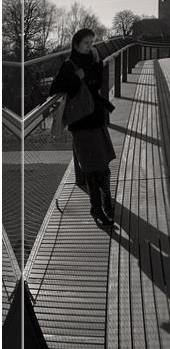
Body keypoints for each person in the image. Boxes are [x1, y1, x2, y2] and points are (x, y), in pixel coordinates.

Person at [49, 28, 116, 226]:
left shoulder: (92, 60)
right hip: (81, 124)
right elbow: (55, 89)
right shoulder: (69, 64)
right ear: (76, 44)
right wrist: (76, 78)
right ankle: (97, 208)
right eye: (86, 43)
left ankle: (106, 202)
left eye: (92, 43)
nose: (90, 46)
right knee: (92, 168)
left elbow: (98, 84)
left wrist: (97, 62)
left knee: (103, 165)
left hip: (96, 119)